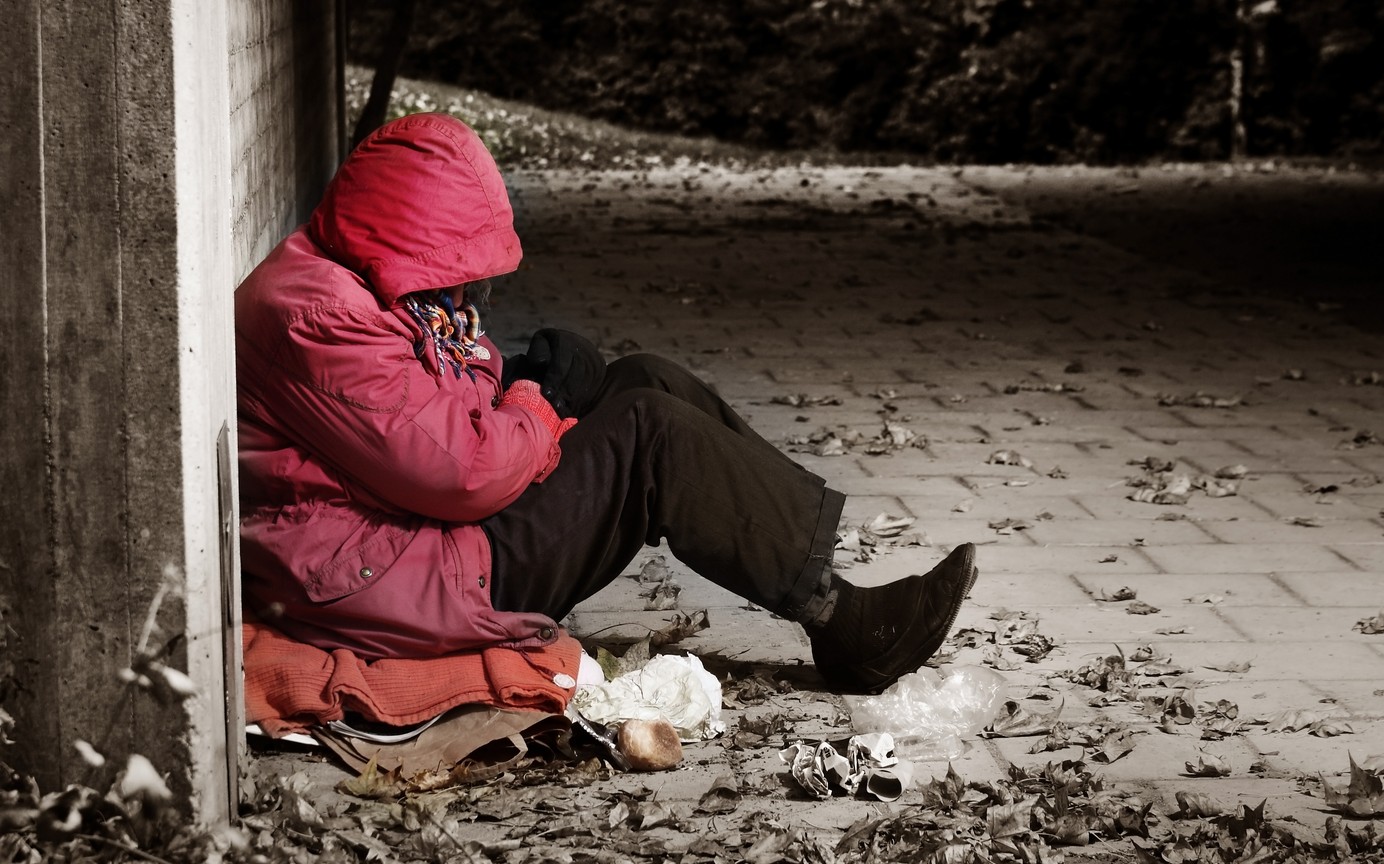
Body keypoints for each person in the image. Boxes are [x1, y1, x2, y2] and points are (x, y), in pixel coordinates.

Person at [234, 113, 976, 694]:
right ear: (414, 241)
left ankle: (827, 593)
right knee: (647, 433)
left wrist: (511, 374)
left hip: (414, 535)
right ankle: (844, 624)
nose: (471, 294)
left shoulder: (360, 279)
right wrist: (537, 396)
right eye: (460, 273)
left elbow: (429, 393)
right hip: (405, 573)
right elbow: (462, 475)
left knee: (641, 378)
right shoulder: (317, 318)